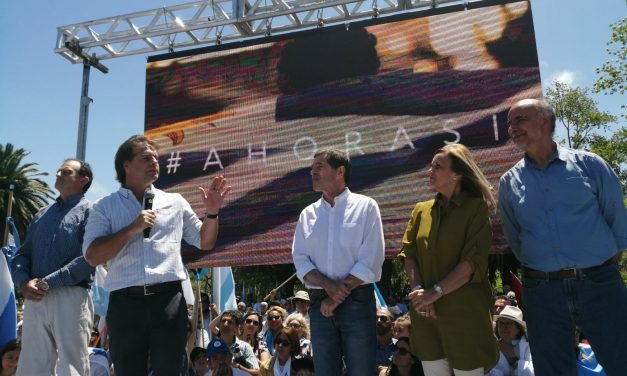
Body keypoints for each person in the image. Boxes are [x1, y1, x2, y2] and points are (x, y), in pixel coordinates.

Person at [498, 99, 627, 375]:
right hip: (542, 292)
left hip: (600, 284)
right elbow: (515, 238)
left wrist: (597, 264)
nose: (512, 128)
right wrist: (544, 269)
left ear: (545, 121)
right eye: (509, 123)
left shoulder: (590, 165)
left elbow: (617, 221)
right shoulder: (508, 182)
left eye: (519, 119)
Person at [82, 135, 230, 375]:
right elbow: (92, 256)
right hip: (125, 303)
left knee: (172, 370)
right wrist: (132, 229)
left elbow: (205, 241)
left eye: (156, 158)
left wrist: (212, 213)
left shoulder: (175, 202)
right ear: (126, 165)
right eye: (146, 157)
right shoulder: (104, 207)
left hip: (168, 300)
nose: (154, 162)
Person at [399, 143, 499, 375]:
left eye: (437, 166)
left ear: (457, 174)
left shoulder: (477, 209)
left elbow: (471, 263)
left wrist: (435, 293)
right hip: (425, 315)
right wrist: (419, 293)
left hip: (464, 315)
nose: (429, 171)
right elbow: (409, 254)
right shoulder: (420, 210)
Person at [292, 149, 385, 376]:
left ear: (340, 171)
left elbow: (371, 258)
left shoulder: (366, 207)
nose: (312, 172)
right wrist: (328, 287)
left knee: (361, 371)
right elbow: (300, 260)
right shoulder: (307, 215)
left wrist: (336, 294)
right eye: (312, 167)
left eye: (319, 166)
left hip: (358, 303)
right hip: (319, 305)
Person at [11, 158, 95, 376]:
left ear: (83, 180)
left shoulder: (92, 212)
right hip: (35, 296)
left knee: (71, 365)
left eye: (66, 172)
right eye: (58, 171)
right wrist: (23, 281)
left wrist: (49, 282)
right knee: (31, 365)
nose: (58, 174)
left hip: (71, 296)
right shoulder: (41, 215)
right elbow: (23, 254)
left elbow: (89, 257)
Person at [487, 306, 533, 376]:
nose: (504, 327)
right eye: (501, 323)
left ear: (518, 328)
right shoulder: (492, 347)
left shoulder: (529, 345)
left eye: (509, 323)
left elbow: (533, 371)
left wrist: (513, 360)